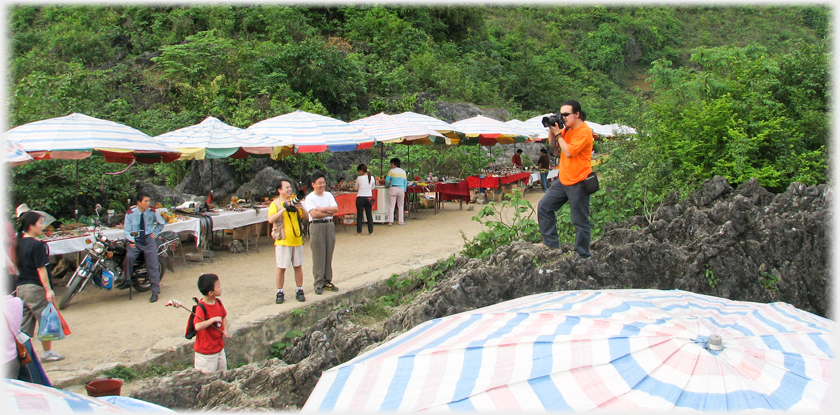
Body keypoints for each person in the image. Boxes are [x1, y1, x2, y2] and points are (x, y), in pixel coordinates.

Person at [537, 100, 594, 258]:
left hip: (579, 181)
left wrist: (558, 133)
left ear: (577, 114)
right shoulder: (567, 130)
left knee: (579, 221)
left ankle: (583, 254)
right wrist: (551, 128)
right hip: (563, 179)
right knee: (544, 206)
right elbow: (554, 150)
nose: (563, 117)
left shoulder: (584, 131)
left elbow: (569, 152)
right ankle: (550, 242)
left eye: (566, 114)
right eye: (561, 114)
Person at [13, 211, 64, 362]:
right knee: (46, 321)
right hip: (35, 288)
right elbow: (41, 269)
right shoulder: (37, 245)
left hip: (21, 288)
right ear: (31, 226)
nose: (42, 226)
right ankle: (47, 353)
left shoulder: (19, 242)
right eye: (40, 223)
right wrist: (48, 289)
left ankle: (20, 353)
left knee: (24, 325)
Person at [268, 178, 308, 304]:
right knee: (281, 267)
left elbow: (306, 217)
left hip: (297, 239)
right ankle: (280, 291)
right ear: (279, 190)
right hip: (283, 240)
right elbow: (271, 219)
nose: (289, 189)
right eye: (287, 187)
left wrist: (300, 206)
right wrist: (284, 208)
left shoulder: (295, 201)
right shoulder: (275, 204)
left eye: (290, 187)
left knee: (298, 265)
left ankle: (299, 289)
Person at [123, 192, 166, 302]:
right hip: (135, 239)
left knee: (152, 264)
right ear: (139, 203)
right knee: (129, 257)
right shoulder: (130, 214)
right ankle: (127, 280)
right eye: (145, 201)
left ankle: (155, 291)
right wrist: (131, 241)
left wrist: (155, 233)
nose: (148, 203)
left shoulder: (151, 212)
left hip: (148, 239)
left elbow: (161, 222)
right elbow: (127, 231)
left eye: (148, 201)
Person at [302, 171, 340, 295]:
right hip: (316, 226)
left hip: (329, 225)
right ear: (313, 184)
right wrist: (328, 212)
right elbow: (313, 214)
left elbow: (335, 209)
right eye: (320, 183)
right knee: (318, 254)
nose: (322, 185)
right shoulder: (310, 198)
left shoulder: (328, 195)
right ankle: (318, 282)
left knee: (329, 252)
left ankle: (327, 280)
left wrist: (322, 209)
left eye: (323, 182)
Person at [192, 273, 230, 374]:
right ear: (210, 293)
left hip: (218, 347)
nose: (221, 288)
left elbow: (223, 316)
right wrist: (212, 320)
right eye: (218, 286)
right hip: (206, 352)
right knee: (207, 376)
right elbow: (197, 326)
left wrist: (225, 330)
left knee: (223, 372)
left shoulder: (218, 302)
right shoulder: (201, 307)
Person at [384, 157, 407, 226]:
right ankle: (401, 221)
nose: (391, 165)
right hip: (401, 189)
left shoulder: (391, 171)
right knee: (400, 206)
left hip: (393, 188)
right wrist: (404, 189)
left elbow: (387, 180)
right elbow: (405, 182)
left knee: (391, 206)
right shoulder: (403, 171)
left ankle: (390, 221)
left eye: (391, 164)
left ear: (394, 164)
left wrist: (388, 185)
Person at [354, 164, 376, 235]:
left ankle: (359, 231)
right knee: (369, 214)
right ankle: (371, 231)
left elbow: (356, 187)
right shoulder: (371, 177)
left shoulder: (359, 178)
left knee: (360, 215)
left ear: (361, 171)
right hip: (369, 197)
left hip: (360, 197)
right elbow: (373, 187)